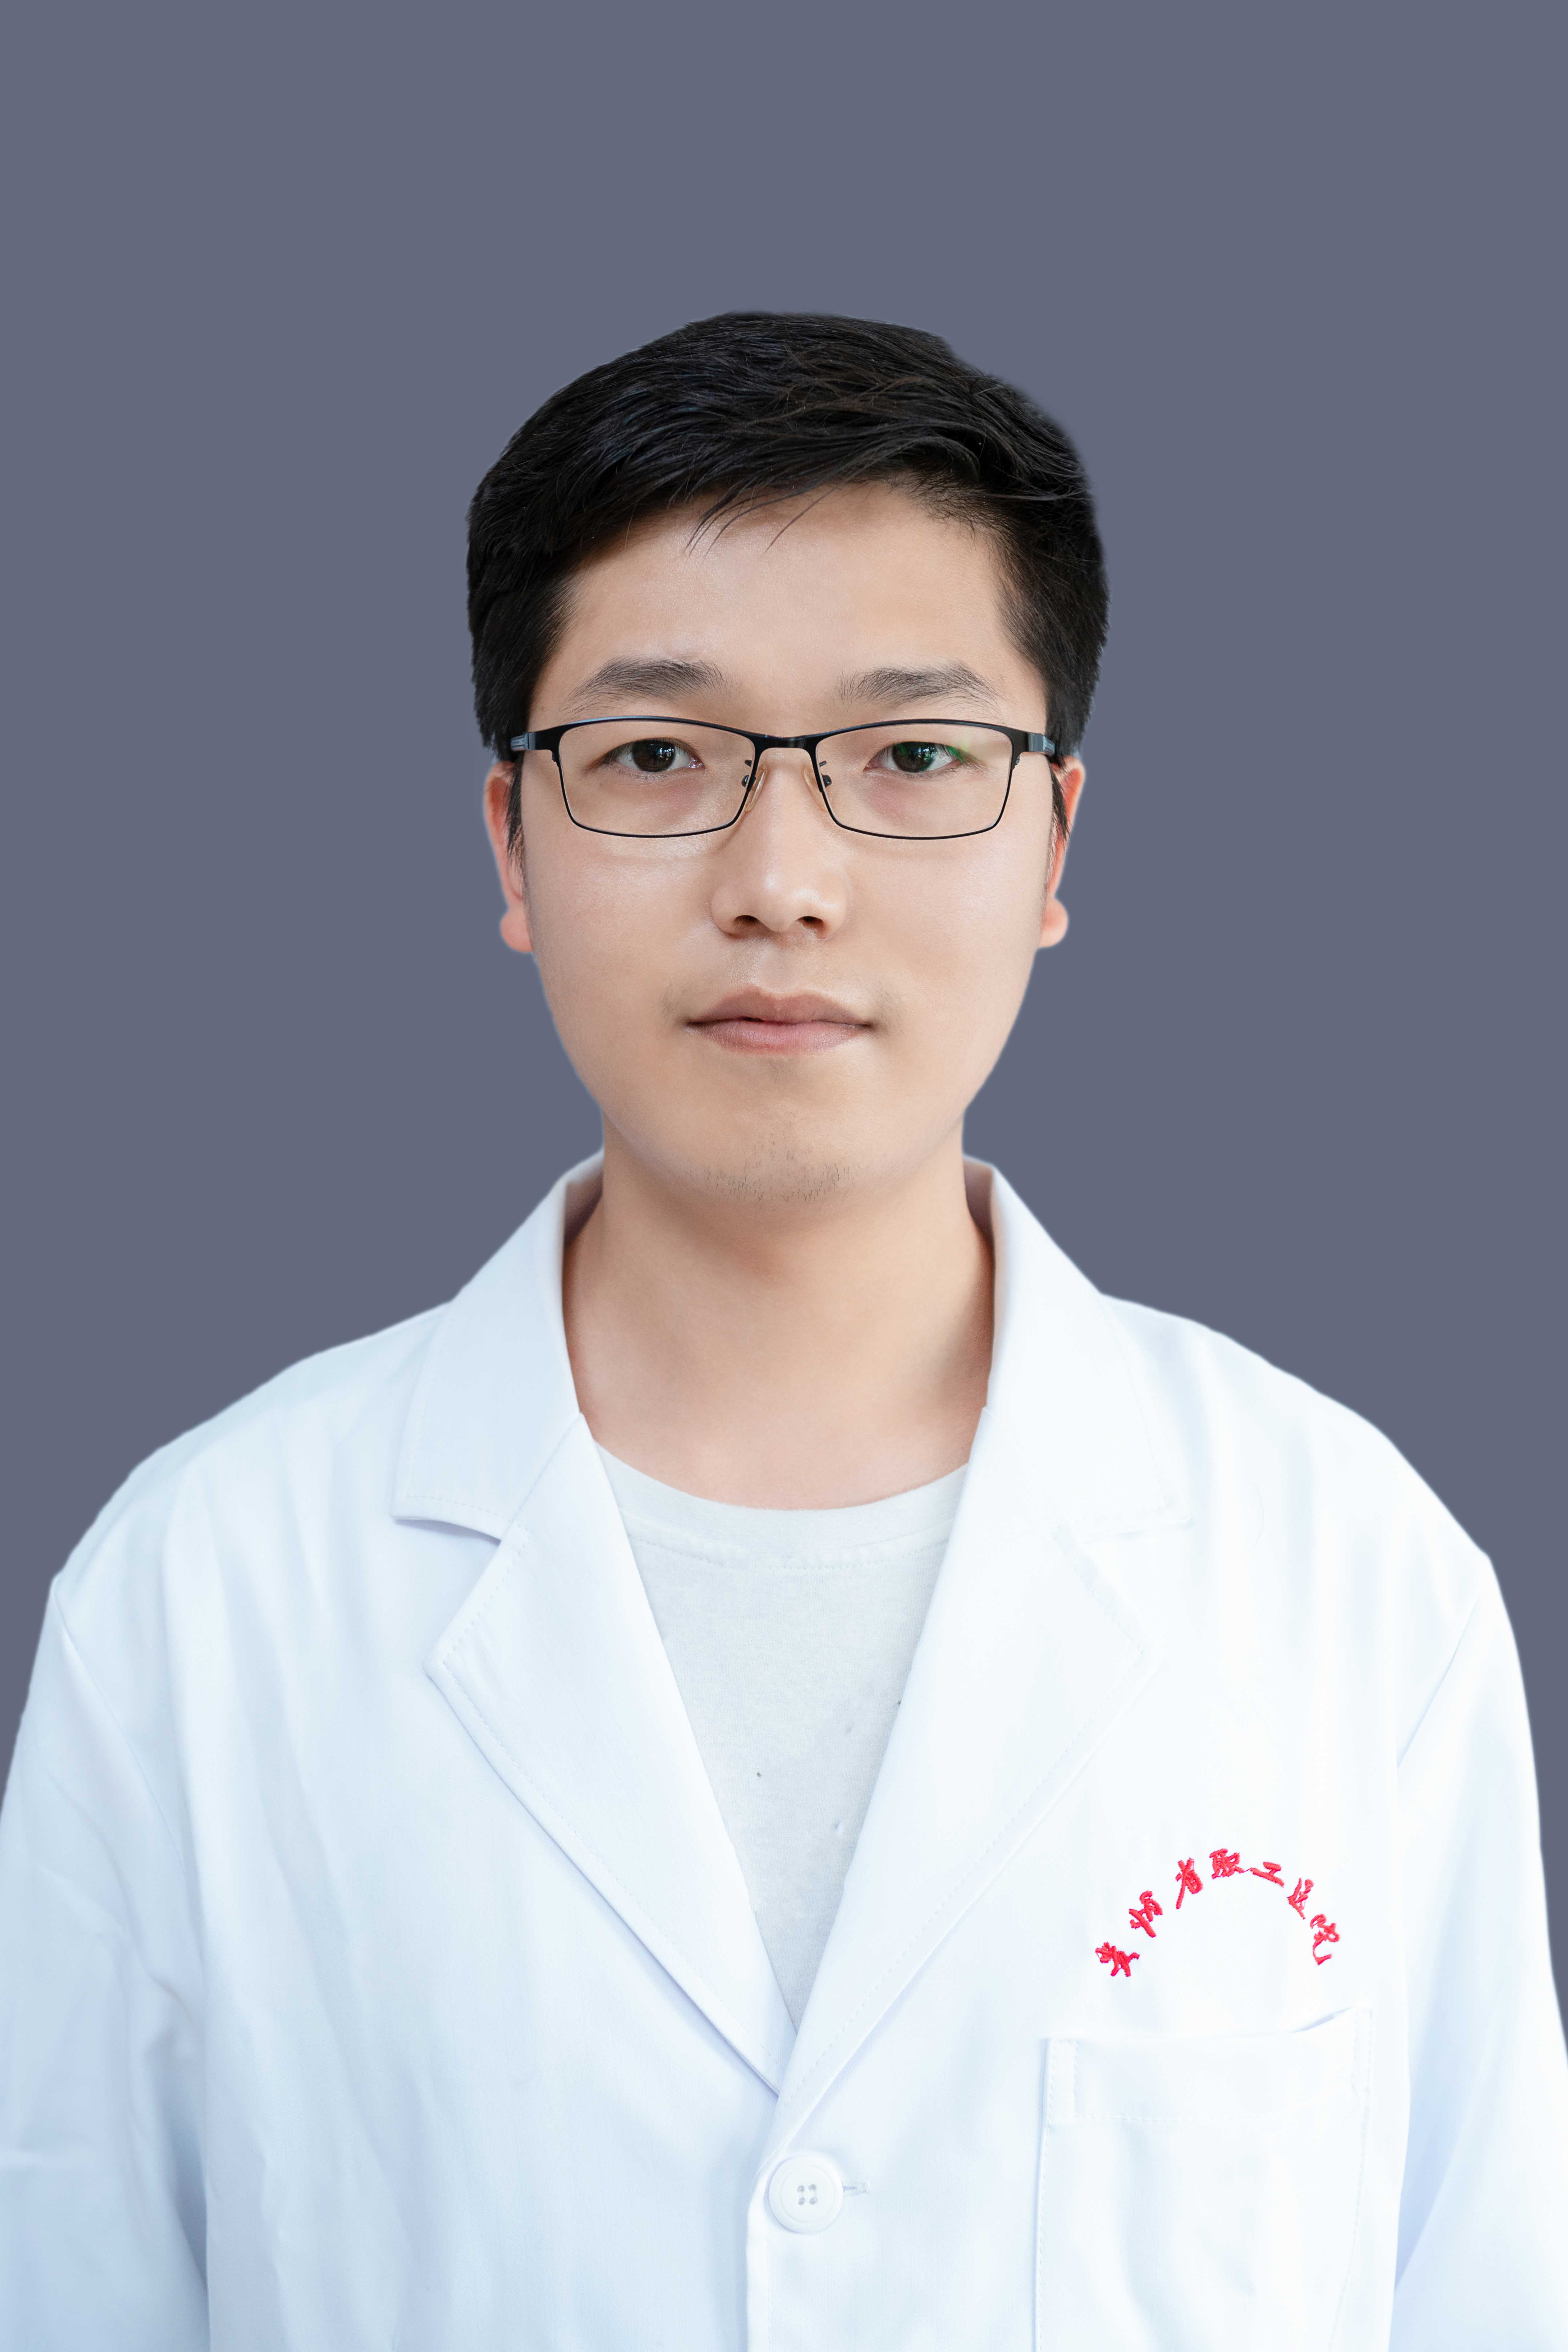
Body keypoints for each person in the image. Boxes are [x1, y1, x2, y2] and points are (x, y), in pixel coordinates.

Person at [2, 312, 1564, 2350]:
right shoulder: (202, 1593)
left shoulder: (1347, 1572)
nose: (783, 881)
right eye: (657, 756)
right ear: (511, 844)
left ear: (1054, 844)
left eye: (912, 756)